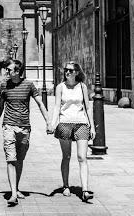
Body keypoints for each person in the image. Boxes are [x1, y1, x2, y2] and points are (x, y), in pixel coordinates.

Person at [0, 59, 50, 206]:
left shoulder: (29, 85)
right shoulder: (4, 85)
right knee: (11, 159)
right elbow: (0, 107)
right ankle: (13, 194)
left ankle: (16, 187)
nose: (7, 72)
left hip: (24, 127)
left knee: (20, 159)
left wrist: (48, 122)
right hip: (9, 126)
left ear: (17, 71)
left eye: (9, 70)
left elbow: (40, 103)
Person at [48, 61, 96, 202]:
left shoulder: (82, 87)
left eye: (70, 70)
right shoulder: (60, 87)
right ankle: (66, 185)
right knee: (67, 156)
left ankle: (85, 190)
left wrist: (92, 126)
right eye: (66, 70)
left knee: (82, 157)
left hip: (81, 123)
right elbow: (57, 107)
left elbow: (87, 108)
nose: (67, 72)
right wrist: (52, 124)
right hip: (64, 124)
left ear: (76, 72)